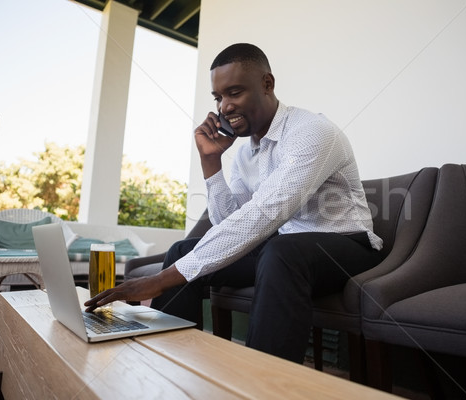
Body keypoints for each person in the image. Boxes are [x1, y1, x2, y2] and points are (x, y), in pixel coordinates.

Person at [85, 43, 383, 364]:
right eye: (218, 97)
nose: (224, 107)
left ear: (267, 84)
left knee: (279, 252)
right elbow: (230, 221)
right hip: (286, 250)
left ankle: (263, 383)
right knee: (181, 252)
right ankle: (170, 366)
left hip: (348, 248)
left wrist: (161, 279)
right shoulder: (245, 152)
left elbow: (263, 216)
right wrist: (211, 161)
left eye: (234, 93)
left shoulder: (312, 132)